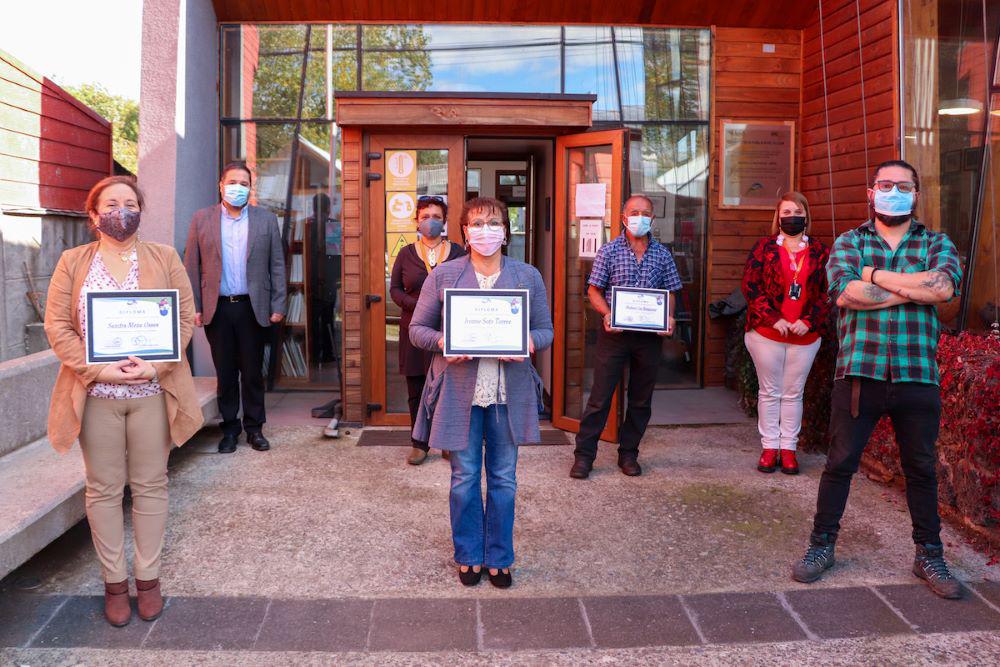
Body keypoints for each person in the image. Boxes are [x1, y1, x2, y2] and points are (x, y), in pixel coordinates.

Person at [792, 160, 965, 599]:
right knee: (839, 465)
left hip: (917, 375)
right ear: (871, 193)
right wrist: (910, 287)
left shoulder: (936, 242)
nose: (893, 192)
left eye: (902, 186)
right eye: (884, 185)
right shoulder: (849, 242)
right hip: (859, 374)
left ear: (916, 194)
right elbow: (846, 294)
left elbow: (943, 289)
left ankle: (929, 554)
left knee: (921, 470)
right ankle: (821, 546)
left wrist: (871, 276)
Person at [44, 176, 203, 627]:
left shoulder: (164, 257)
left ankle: (148, 579)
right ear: (94, 215)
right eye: (111, 204)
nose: (122, 211)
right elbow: (58, 327)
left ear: (140, 211)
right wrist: (97, 369)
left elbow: (184, 322)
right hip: (96, 396)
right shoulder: (73, 262)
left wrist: (158, 367)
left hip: (153, 393)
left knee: (152, 486)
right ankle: (114, 583)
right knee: (103, 489)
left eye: (130, 203)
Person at [409, 196, 553, 589]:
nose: (485, 231)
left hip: (509, 393)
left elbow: (546, 329)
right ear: (464, 233)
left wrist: (527, 342)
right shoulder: (444, 276)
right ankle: (469, 554)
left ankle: (500, 556)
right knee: (464, 477)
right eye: (476, 224)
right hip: (460, 392)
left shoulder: (527, 276)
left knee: (504, 479)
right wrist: (446, 343)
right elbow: (416, 330)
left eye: (493, 223)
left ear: (505, 231)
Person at [570, 195, 681, 479]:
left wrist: (668, 318)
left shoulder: (663, 254)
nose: (640, 217)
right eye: (634, 212)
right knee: (599, 399)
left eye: (645, 213)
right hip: (614, 335)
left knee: (641, 400)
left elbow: (670, 293)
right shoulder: (608, 251)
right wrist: (607, 314)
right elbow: (594, 290)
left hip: (648, 338)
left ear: (653, 219)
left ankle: (629, 454)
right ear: (623, 217)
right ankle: (584, 456)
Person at [184, 161, 286, 453]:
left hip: (253, 307)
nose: (238, 188)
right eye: (233, 182)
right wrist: (196, 305)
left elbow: (277, 265)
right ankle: (229, 430)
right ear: (221, 185)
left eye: (244, 183)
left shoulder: (265, 220)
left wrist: (278, 303)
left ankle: (255, 429)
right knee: (226, 372)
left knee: (253, 372)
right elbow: (191, 265)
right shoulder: (201, 219)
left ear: (250, 188)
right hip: (219, 308)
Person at [741, 193, 831, 475]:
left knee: (793, 393)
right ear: (778, 217)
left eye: (797, 210)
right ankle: (770, 448)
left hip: (804, 336)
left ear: (806, 215)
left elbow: (830, 291)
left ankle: (789, 449)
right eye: (786, 211)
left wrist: (809, 320)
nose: (792, 215)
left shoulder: (820, 251)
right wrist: (772, 317)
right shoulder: (763, 248)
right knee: (769, 392)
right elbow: (751, 286)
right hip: (767, 333)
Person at [389, 195, 464, 465]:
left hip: (448, 330)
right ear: (416, 222)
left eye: (436, 216)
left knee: (448, 387)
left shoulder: (458, 253)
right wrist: (418, 304)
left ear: (444, 221)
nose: (430, 221)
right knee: (416, 387)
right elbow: (395, 289)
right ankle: (419, 443)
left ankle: (445, 441)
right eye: (424, 217)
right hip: (415, 331)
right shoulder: (406, 253)